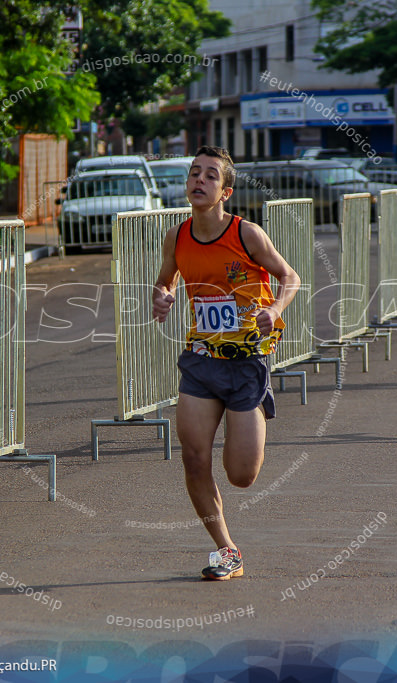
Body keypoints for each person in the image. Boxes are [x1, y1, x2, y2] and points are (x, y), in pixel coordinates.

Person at [152, 146, 300, 580]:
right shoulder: (177, 236)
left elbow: (289, 277)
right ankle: (227, 551)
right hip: (200, 359)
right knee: (195, 459)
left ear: (225, 191)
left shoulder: (247, 233)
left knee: (241, 476)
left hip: (247, 362)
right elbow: (166, 280)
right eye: (194, 173)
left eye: (210, 176)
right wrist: (163, 296)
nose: (199, 180)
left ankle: (252, 408)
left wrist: (274, 310)